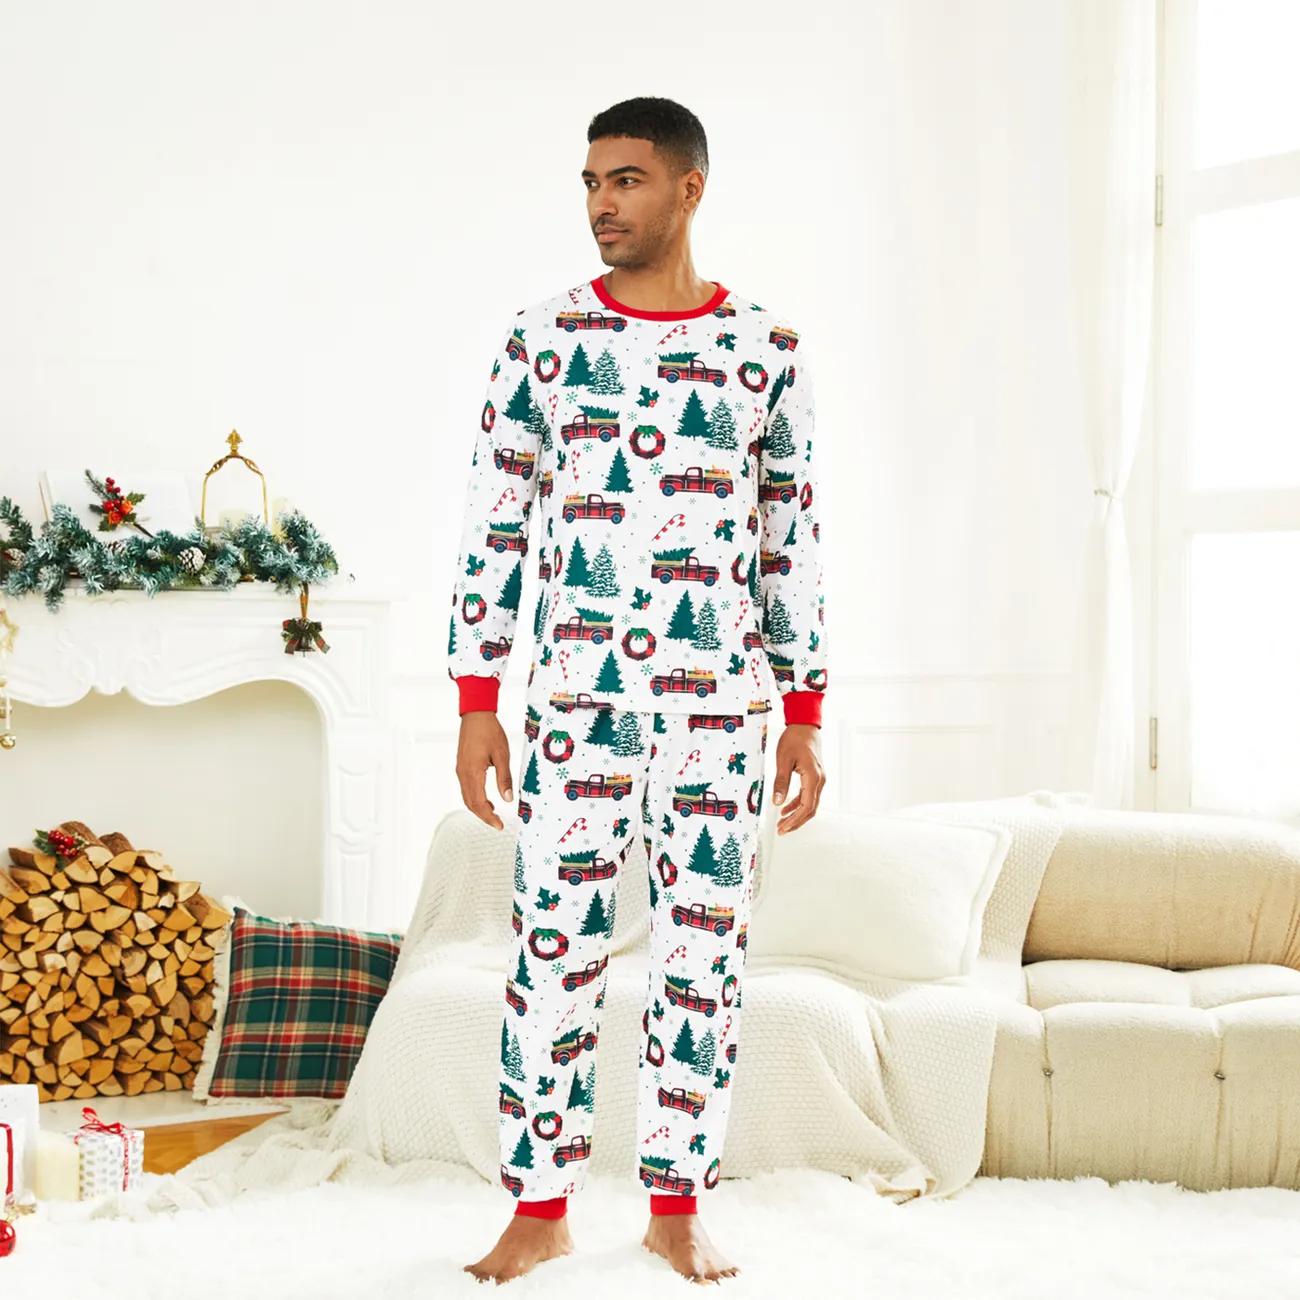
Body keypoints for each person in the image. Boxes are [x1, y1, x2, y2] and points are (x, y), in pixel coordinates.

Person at [454, 96, 828, 1285]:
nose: (600, 204)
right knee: (550, 954)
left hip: (721, 713)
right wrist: (476, 697)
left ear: (687, 188)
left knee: (700, 963)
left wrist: (805, 710)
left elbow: (790, 538)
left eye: (624, 180)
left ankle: (676, 1203)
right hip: (573, 707)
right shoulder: (543, 336)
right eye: (589, 182)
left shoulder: (766, 348)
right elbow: (495, 517)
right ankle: (539, 1203)